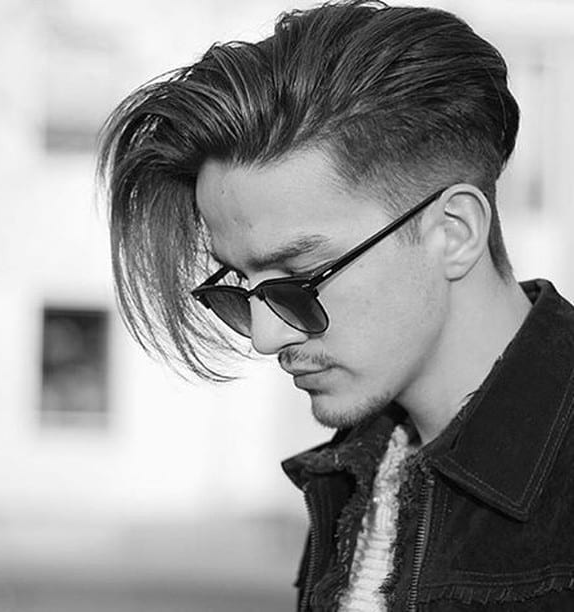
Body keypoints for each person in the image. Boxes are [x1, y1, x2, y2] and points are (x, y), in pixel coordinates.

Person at [97, 1, 574, 609]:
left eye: (299, 277)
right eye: (241, 286)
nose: (265, 340)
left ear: (453, 231)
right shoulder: (351, 481)